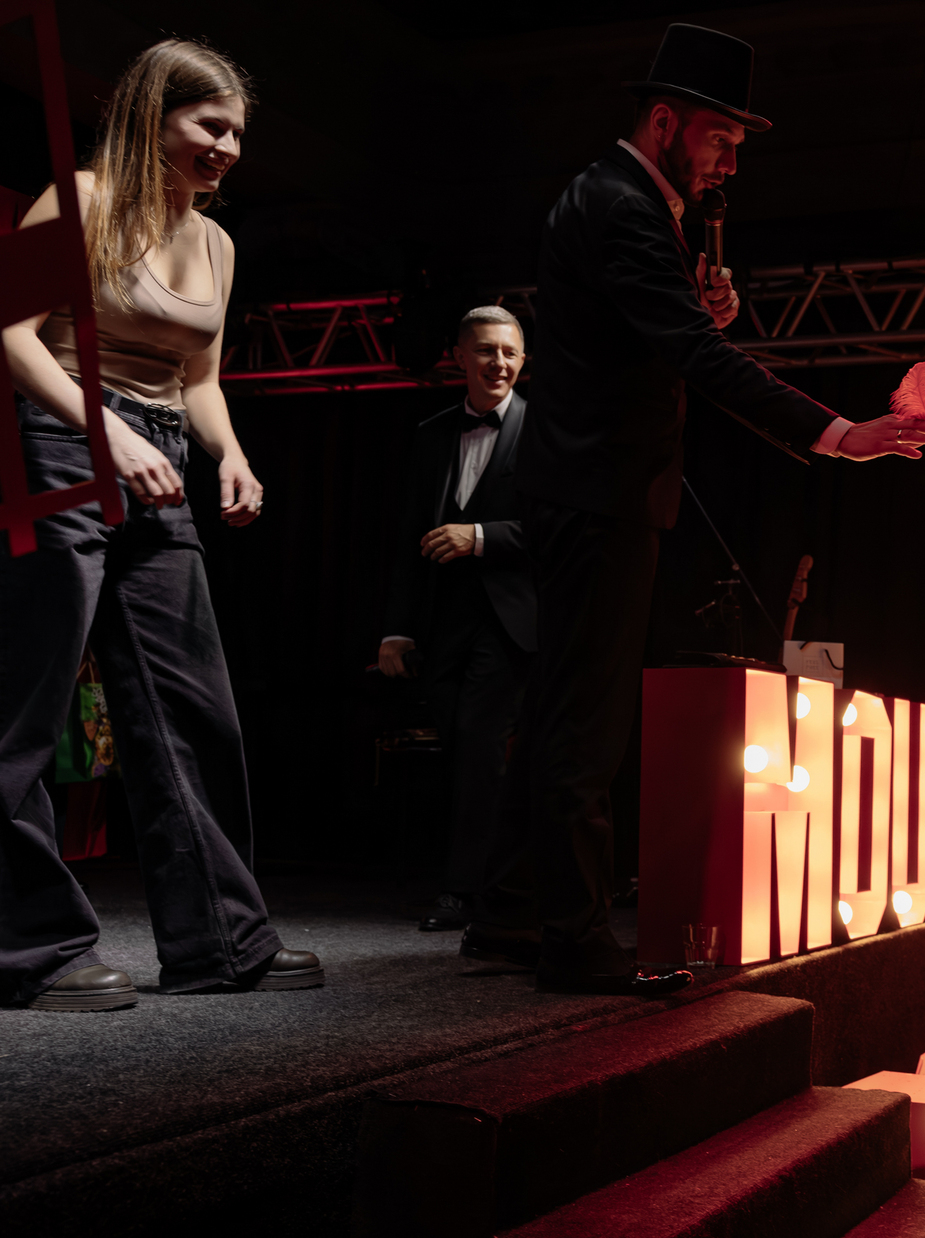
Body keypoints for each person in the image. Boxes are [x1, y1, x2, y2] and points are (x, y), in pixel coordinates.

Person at [459, 23, 925, 997]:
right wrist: (839, 432)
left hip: (583, 485)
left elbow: (637, 336)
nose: (731, 160)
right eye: (721, 137)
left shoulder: (618, 197)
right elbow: (697, 361)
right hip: (598, 489)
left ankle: (511, 910)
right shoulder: (626, 205)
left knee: (560, 705)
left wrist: (690, 312)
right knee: (588, 721)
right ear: (664, 121)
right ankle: (574, 940)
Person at [0, 40, 321, 1010]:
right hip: (59, 441)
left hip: (163, 454)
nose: (227, 147)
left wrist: (232, 454)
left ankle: (221, 940)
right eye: (209, 126)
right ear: (155, 117)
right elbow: (12, 333)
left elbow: (199, 379)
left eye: (237, 133)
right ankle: (31, 949)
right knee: (28, 705)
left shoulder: (216, 242)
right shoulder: (82, 198)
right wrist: (103, 431)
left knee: (191, 704)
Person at [378, 307, 536, 932]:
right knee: (462, 752)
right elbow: (406, 536)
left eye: (510, 353)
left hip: (511, 622)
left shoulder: (544, 431)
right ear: (459, 357)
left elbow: (560, 529)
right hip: (443, 625)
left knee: (480, 749)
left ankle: (469, 893)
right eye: (487, 351)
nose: (499, 363)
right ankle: (492, 884)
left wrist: (482, 536)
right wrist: (397, 628)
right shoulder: (432, 432)